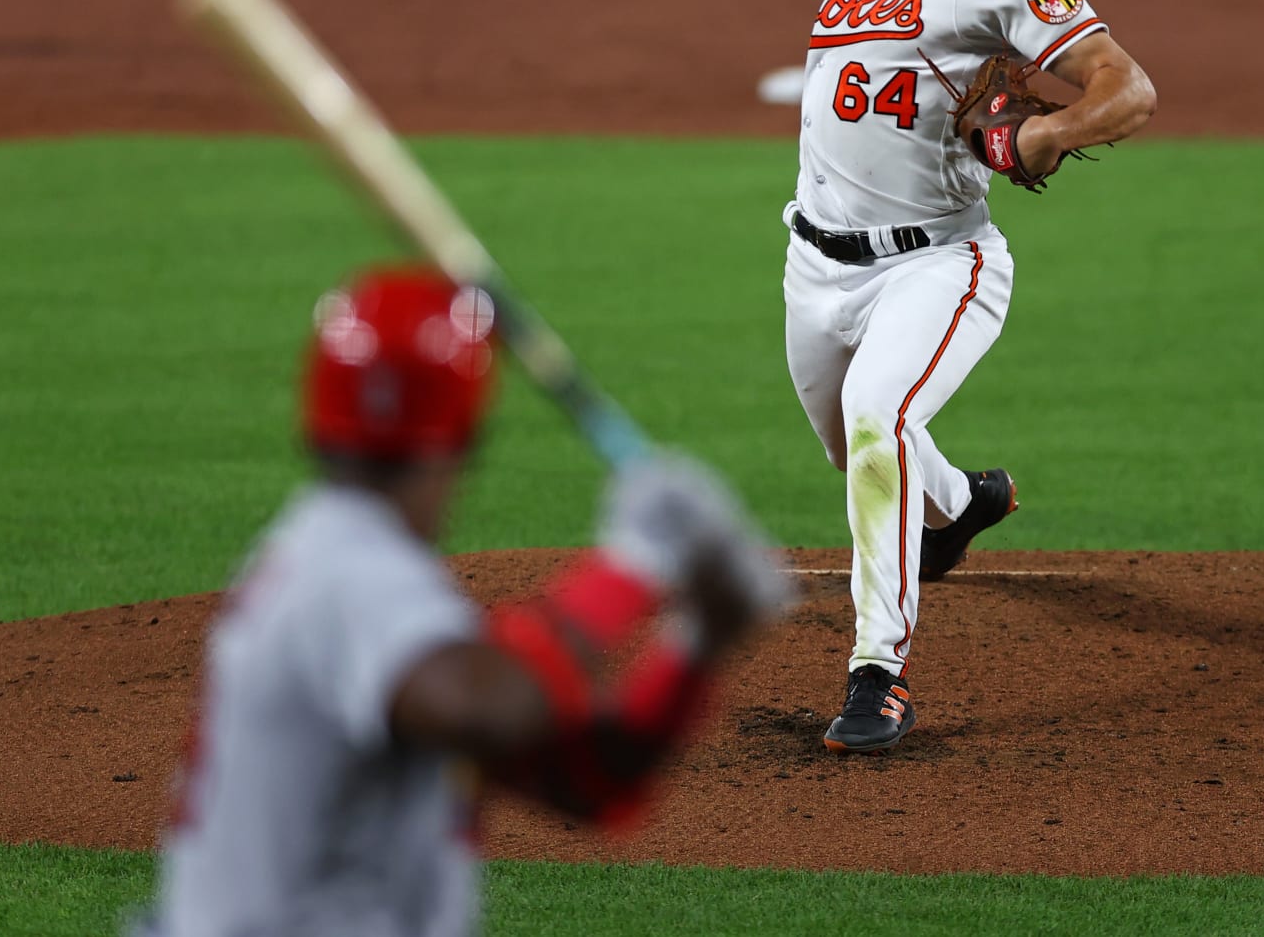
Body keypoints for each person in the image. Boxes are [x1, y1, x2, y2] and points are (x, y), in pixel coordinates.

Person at [140, 266, 791, 936]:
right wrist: (632, 565)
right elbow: (489, 709)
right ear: (467, 431)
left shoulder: (337, 563)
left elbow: (588, 778)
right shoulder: (347, 575)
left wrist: (696, 643)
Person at [784, 0, 1157, 753]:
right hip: (814, 271)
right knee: (860, 453)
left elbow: (1128, 89)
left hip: (936, 264)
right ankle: (961, 506)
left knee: (878, 422)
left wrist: (1040, 140)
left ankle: (879, 675)